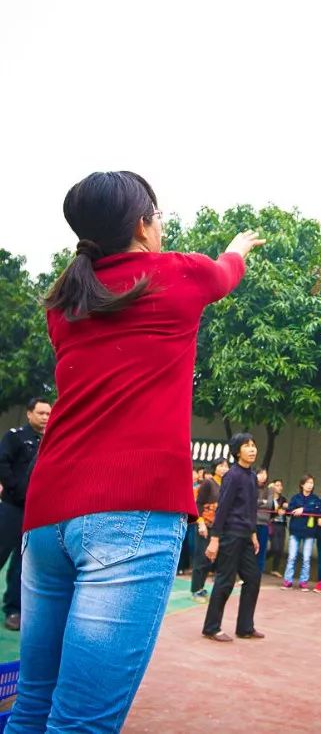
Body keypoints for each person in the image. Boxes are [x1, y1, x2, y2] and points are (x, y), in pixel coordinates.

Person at [5, 171, 264, 733]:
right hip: (128, 514)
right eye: (159, 215)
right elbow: (224, 274)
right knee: (81, 723)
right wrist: (237, 248)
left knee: (32, 707)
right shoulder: (179, 274)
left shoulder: (66, 301)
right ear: (144, 225)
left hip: (46, 520)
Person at [202, 433, 264, 642]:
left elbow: (250, 509)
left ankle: (245, 627)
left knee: (253, 578)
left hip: (246, 536)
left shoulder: (252, 477)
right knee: (225, 580)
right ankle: (211, 628)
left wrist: (254, 534)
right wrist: (215, 538)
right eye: (247, 446)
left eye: (253, 445)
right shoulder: (233, 475)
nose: (252, 449)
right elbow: (223, 508)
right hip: (230, 534)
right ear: (238, 451)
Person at [0, 397, 51, 631]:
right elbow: (3, 463)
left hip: (35, 512)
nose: (45, 418)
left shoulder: (51, 441)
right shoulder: (15, 436)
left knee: (23, 563)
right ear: (29, 414)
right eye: (40, 413)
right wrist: (17, 490)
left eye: (48, 414)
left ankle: (13, 610)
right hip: (12, 507)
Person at [190, 456, 229, 602]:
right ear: (215, 467)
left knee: (209, 559)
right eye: (221, 466)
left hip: (217, 525)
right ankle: (195, 590)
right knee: (201, 557)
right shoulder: (208, 483)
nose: (224, 469)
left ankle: (201, 588)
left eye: (226, 466)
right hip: (205, 524)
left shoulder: (225, 484)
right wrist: (200, 523)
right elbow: (198, 504)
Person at [281, 474, 321, 591]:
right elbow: (289, 510)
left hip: (309, 532)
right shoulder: (295, 498)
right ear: (302, 485)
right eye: (307, 483)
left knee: (306, 558)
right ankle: (288, 580)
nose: (310, 485)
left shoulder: (315, 499)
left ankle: (304, 582)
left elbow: (317, 509)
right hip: (295, 531)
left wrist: (303, 510)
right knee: (292, 557)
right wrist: (289, 510)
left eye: (312, 483)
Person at [267, 479, 288, 577]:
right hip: (272, 524)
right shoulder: (269, 498)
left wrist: (286, 509)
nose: (280, 487)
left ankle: (275, 569)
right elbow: (267, 511)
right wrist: (276, 512)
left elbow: (287, 511)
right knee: (274, 547)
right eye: (277, 485)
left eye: (281, 485)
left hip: (282, 524)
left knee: (280, 548)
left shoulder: (283, 499)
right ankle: (261, 560)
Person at [255, 467, 270, 573]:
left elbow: (269, 504)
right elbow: (251, 502)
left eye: (265, 474)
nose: (263, 476)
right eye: (260, 473)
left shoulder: (269, 490)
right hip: (252, 522)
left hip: (264, 523)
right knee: (250, 549)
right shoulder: (251, 487)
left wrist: (258, 502)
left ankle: (258, 573)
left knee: (262, 549)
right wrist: (262, 501)